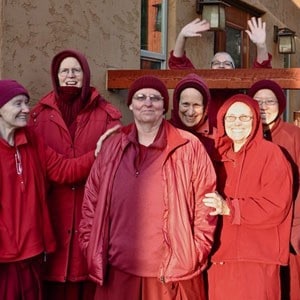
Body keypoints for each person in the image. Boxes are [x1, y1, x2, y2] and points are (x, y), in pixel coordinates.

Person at [79, 75, 217, 300]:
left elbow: (206, 205)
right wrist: (89, 244)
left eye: (155, 98)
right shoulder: (113, 146)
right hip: (117, 272)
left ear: (165, 106)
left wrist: (194, 251)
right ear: (131, 104)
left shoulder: (188, 146)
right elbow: (91, 201)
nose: (148, 102)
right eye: (141, 97)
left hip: (169, 276)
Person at [29, 49, 122, 300]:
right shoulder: (37, 119)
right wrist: (95, 155)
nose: (70, 76)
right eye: (64, 71)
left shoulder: (107, 117)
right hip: (53, 220)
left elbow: (113, 169)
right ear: (55, 76)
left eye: (76, 70)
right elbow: (55, 171)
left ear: (86, 74)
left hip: (90, 219)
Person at [0, 79, 96, 300]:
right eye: (18, 104)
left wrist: (97, 153)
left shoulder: (32, 140)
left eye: (26, 102)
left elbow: (64, 170)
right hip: (4, 260)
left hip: (32, 254)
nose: (26, 109)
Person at [203, 94, 293, 300]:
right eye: (231, 117)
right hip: (218, 256)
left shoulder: (271, 154)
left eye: (244, 117)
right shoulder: (215, 155)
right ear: (222, 120)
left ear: (255, 121)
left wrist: (230, 208)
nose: (237, 123)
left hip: (256, 259)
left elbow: (277, 206)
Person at [248, 79, 300, 300]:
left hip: (290, 226)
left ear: (280, 105)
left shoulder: (294, 136)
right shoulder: (243, 135)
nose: (263, 106)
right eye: (257, 101)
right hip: (256, 228)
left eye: (270, 101)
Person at [168, 17, 272, 127]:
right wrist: (182, 37)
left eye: (227, 64)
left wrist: (261, 45)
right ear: (210, 69)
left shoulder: (242, 93)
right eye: (216, 63)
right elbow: (178, 64)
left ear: (234, 70)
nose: (221, 66)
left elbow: (261, 73)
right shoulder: (201, 90)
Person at [169, 73, 215, 155]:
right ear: (177, 104)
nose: (190, 112)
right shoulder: (164, 132)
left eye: (196, 105)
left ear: (205, 107)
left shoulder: (216, 138)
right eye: (185, 104)